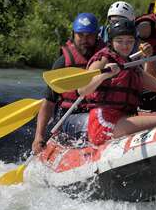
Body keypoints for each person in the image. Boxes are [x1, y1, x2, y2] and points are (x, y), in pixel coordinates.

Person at [77, 18, 156, 146]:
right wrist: (103, 75)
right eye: (120, 41)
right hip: (104, 122)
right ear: (111, 41)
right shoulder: (103, 60)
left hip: (123, 119)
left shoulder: (130, 65)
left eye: (130, 41)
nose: (125, 46)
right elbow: (82, 90)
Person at [32, 13, 105, 153]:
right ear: (73, 34)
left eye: (89, 35)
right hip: (69, 117)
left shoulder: (107, 56)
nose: (85, 39)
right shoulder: (63, 62)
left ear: (97, 35)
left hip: (100, 112)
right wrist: (38, 136)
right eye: (80, 35)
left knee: (104, 118)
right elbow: (48, 102)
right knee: (99, 121)